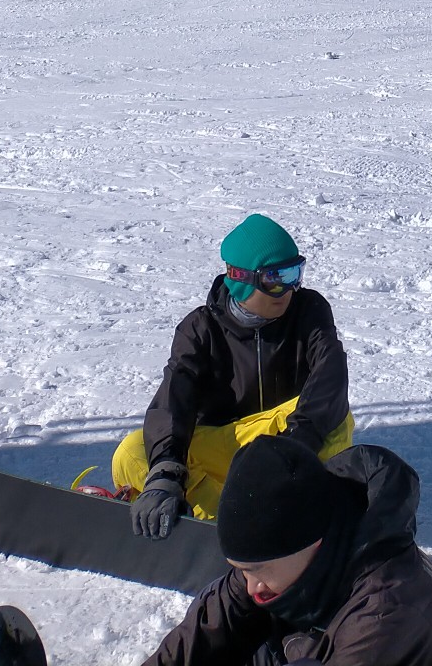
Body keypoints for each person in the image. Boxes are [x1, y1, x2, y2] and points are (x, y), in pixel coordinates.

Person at [144, 432, 432, 666]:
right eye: (241, 569)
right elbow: (209, 631)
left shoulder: (387, 610)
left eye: (257, 570)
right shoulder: (290, 559)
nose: (250, 585)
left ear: (312, 544)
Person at [113, 214, 353, 534]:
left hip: (289, 444)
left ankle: (281, 515)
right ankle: (227, 524)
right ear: (241, 279)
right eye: (274, 277)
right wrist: (164, 475)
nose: (288, 289)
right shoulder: (200, 330)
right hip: (229, 447)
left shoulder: (309, 310)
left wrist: (289, 452)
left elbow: (330, 376)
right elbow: (174, 401)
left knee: (336, 418)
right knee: (132, 453)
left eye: (295, 273)